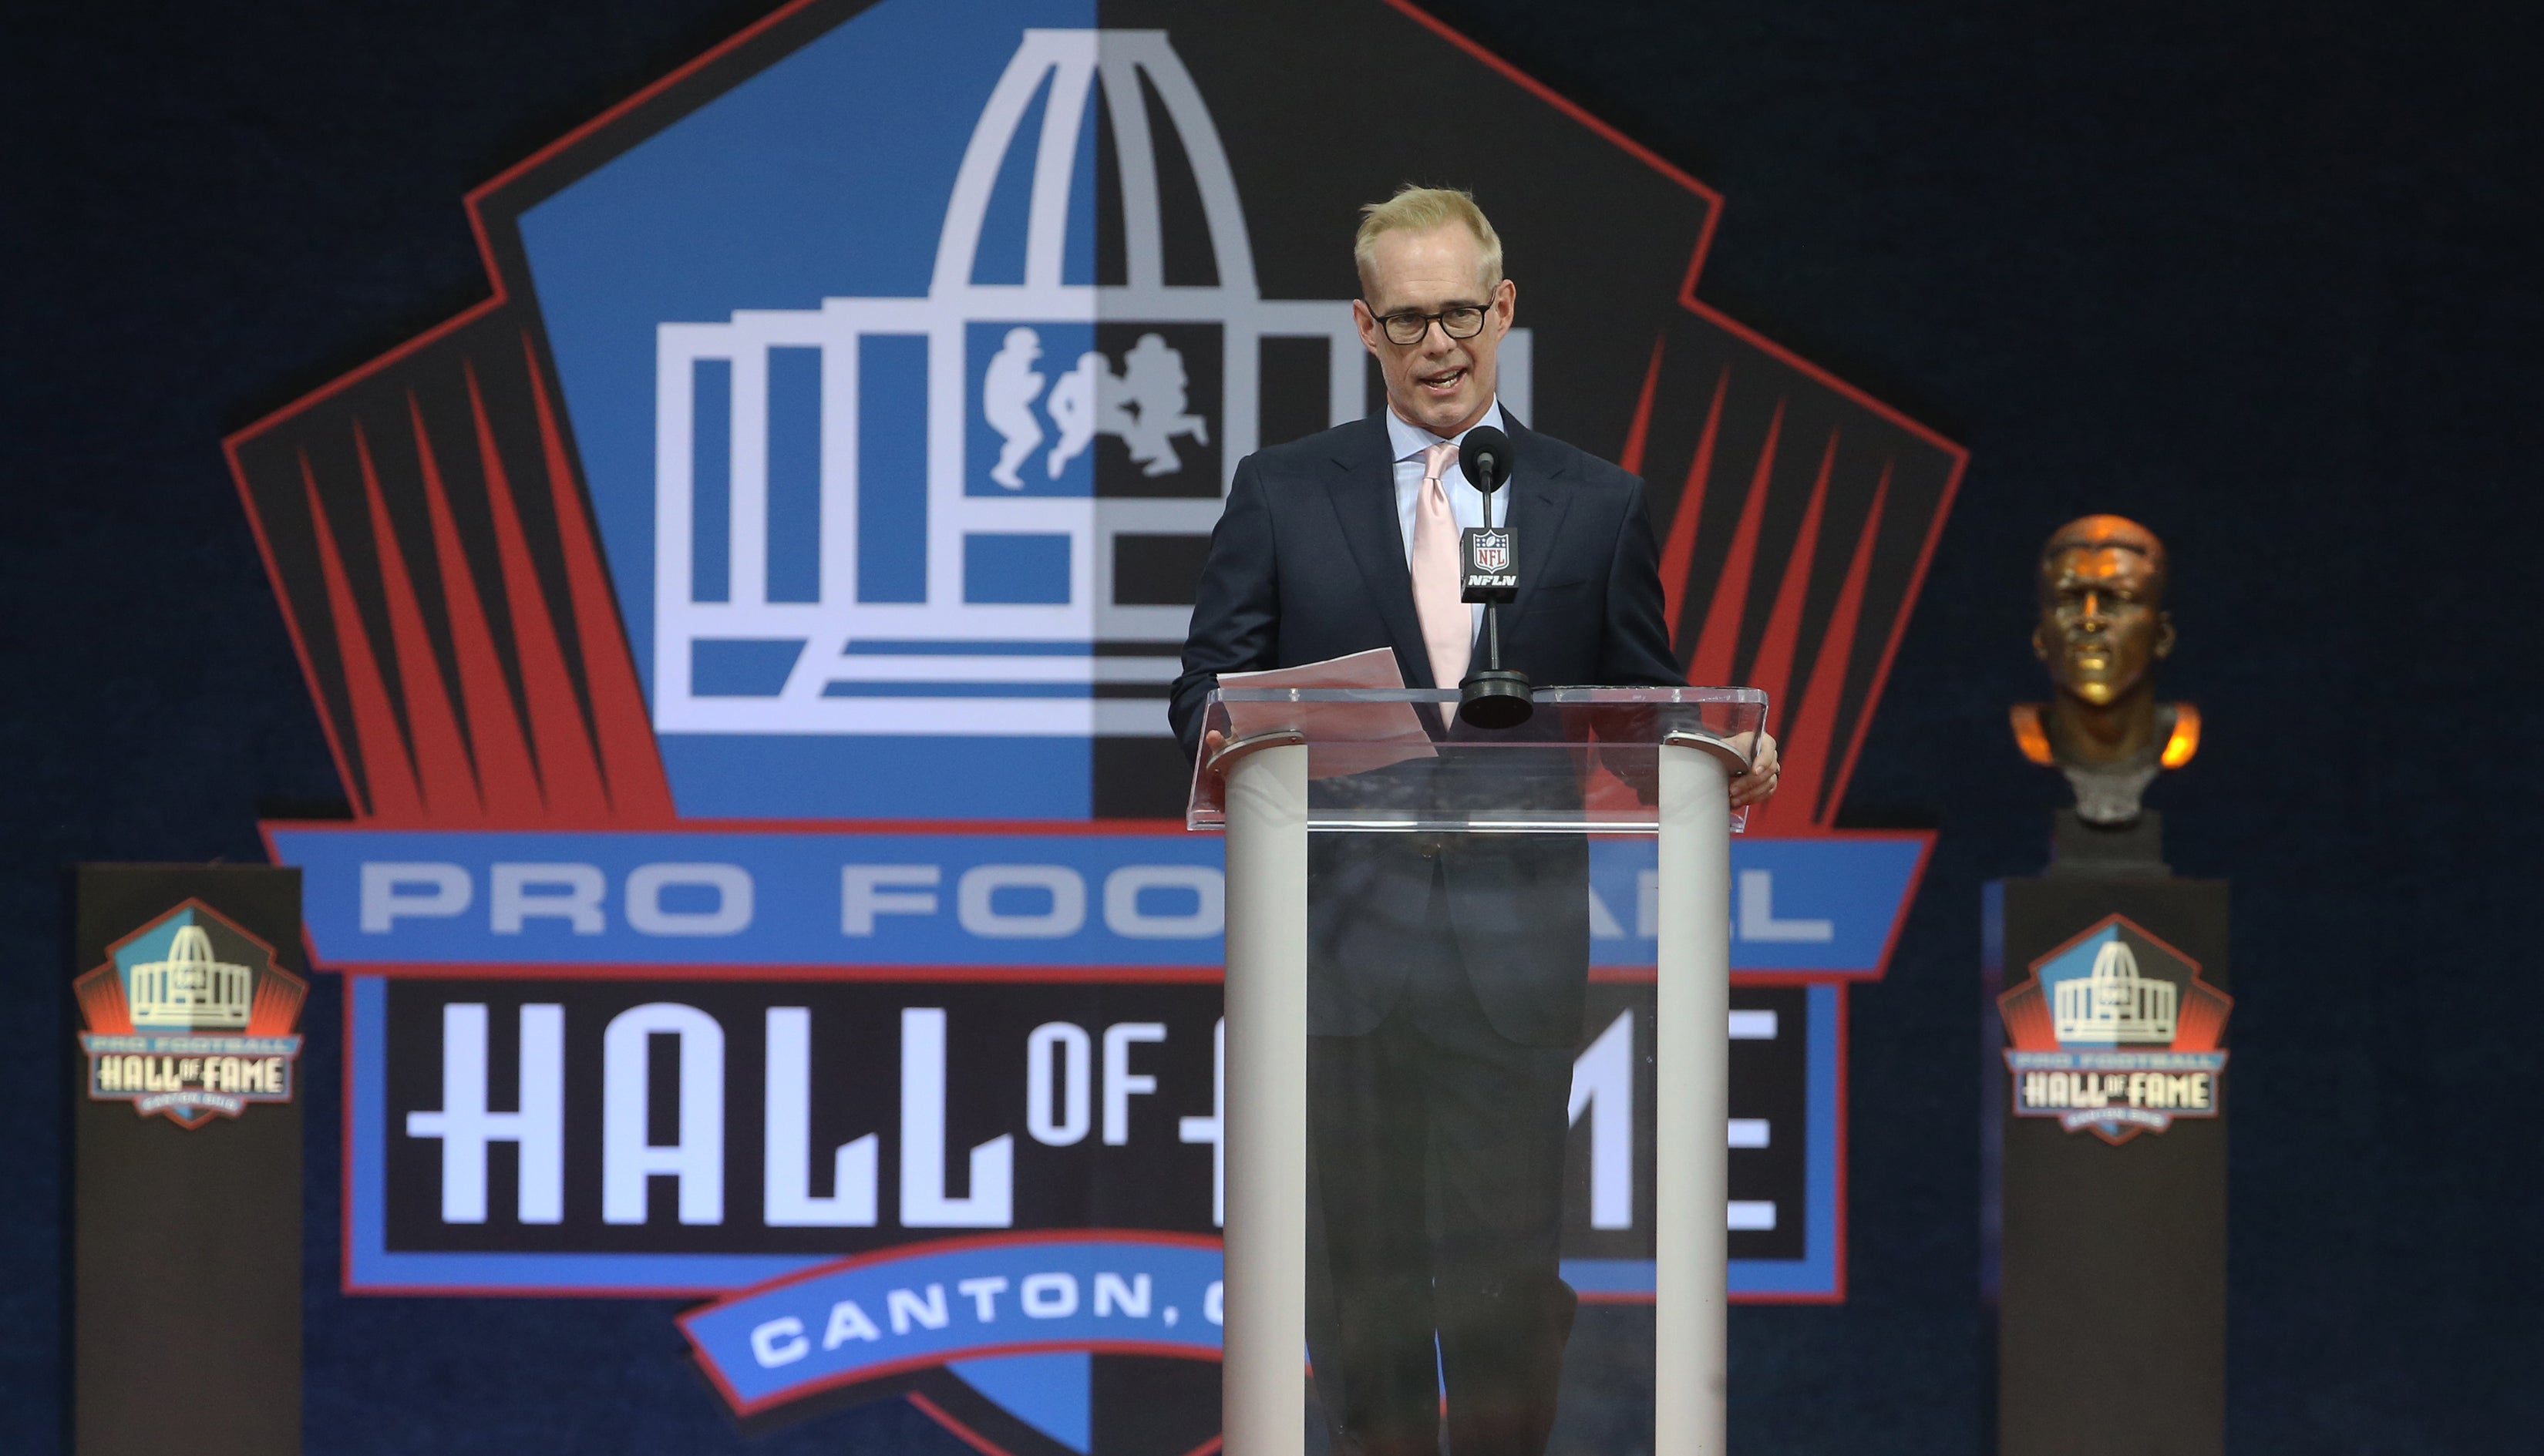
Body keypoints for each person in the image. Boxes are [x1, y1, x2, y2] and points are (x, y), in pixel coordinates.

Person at [1170, 186, 1778, 1456]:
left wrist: (1709, 746)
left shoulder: (1592, 502)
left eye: (1460, 312)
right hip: (1338, 948)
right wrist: (1247, 726)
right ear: (1364, 327)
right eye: (1407, 319)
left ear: (1504, 310)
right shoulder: (1282, 492)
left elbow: (1634, 705)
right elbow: (1202, 693)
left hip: (1514, 952)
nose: (1438, 344)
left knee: (1508, 1283)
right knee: (1359, 1289)